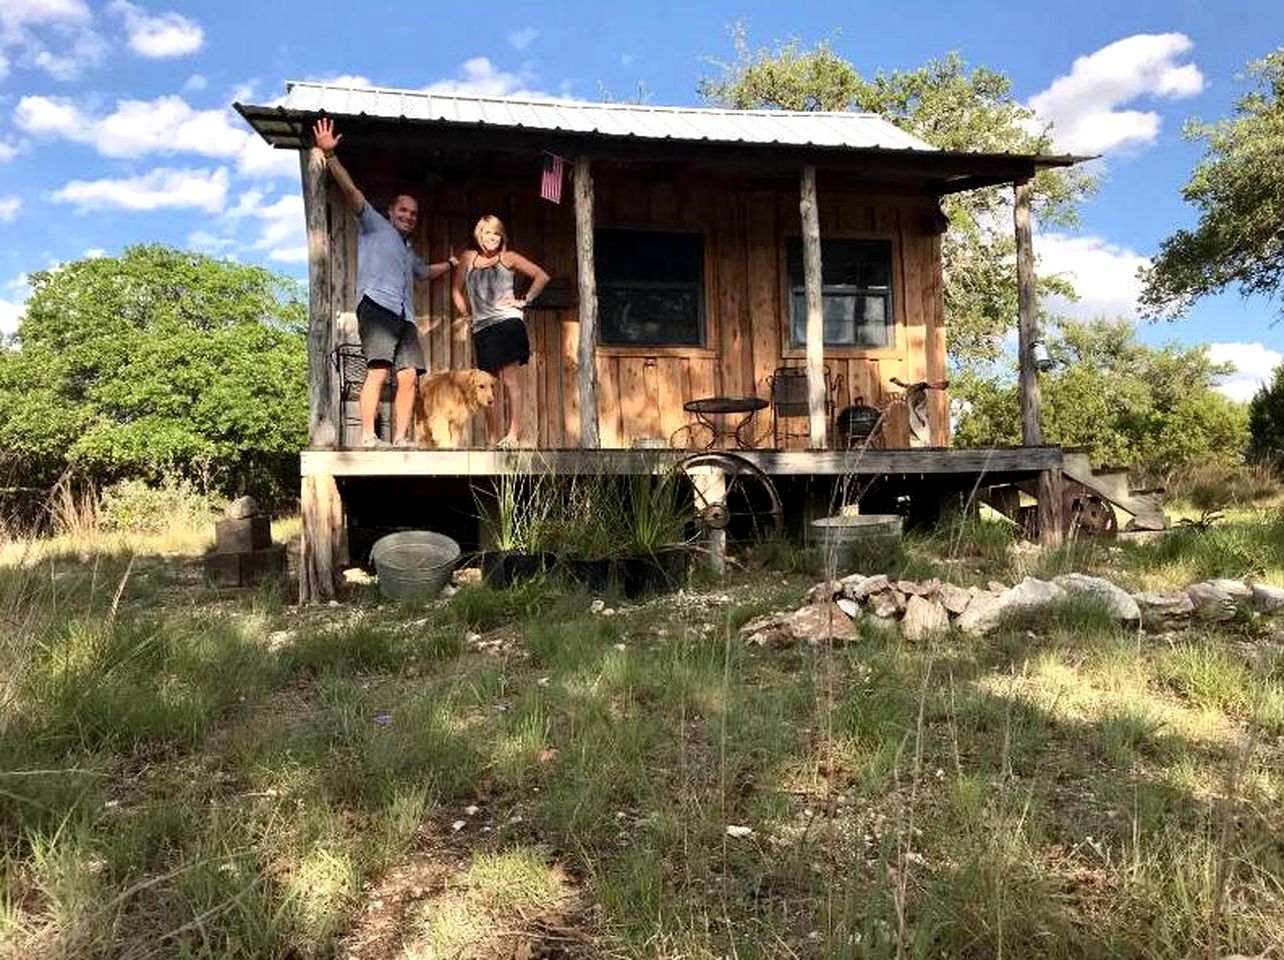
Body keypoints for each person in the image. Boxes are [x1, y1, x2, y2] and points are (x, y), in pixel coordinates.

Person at [312, 118, 456, 448]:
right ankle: (368, 436)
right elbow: (351, 192)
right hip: (376, 306)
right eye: (403, 210)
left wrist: (450, 264)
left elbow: (424, 273)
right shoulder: (374, 224)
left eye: (413, 213)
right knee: (378, 371)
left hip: (404, 316)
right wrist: (331, 156)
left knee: (409, 378)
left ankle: (402, 438)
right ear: (391, 211)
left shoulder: (408, 250)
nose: (408, 216)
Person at [452, 215, 549, 448]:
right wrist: (467, 315)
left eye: (496, 233)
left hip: (508, 323)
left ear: (502, 236)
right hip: (483, 328)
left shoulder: (509, 258)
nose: (492, 238)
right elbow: (456, 290)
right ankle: (493, 439)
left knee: (510, 380)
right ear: (479, 235)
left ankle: (513, 435)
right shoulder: (468, 258)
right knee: (487, 384)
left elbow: (542, 276)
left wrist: (524, 300)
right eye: (487, 233)